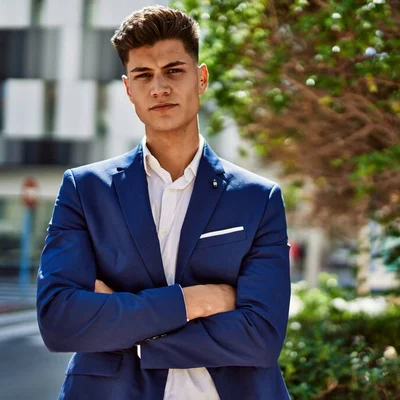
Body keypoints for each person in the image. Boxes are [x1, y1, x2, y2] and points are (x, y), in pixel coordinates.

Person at [36, 5, 291, 400]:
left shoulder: (258, 199)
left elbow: (261, 336)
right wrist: (198, 300)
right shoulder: (85, 191)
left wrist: (130, 331)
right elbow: (60, 321)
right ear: (128, 89)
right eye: (143, 75)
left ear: (201, 78)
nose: (159, 87)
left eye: (174, 70)